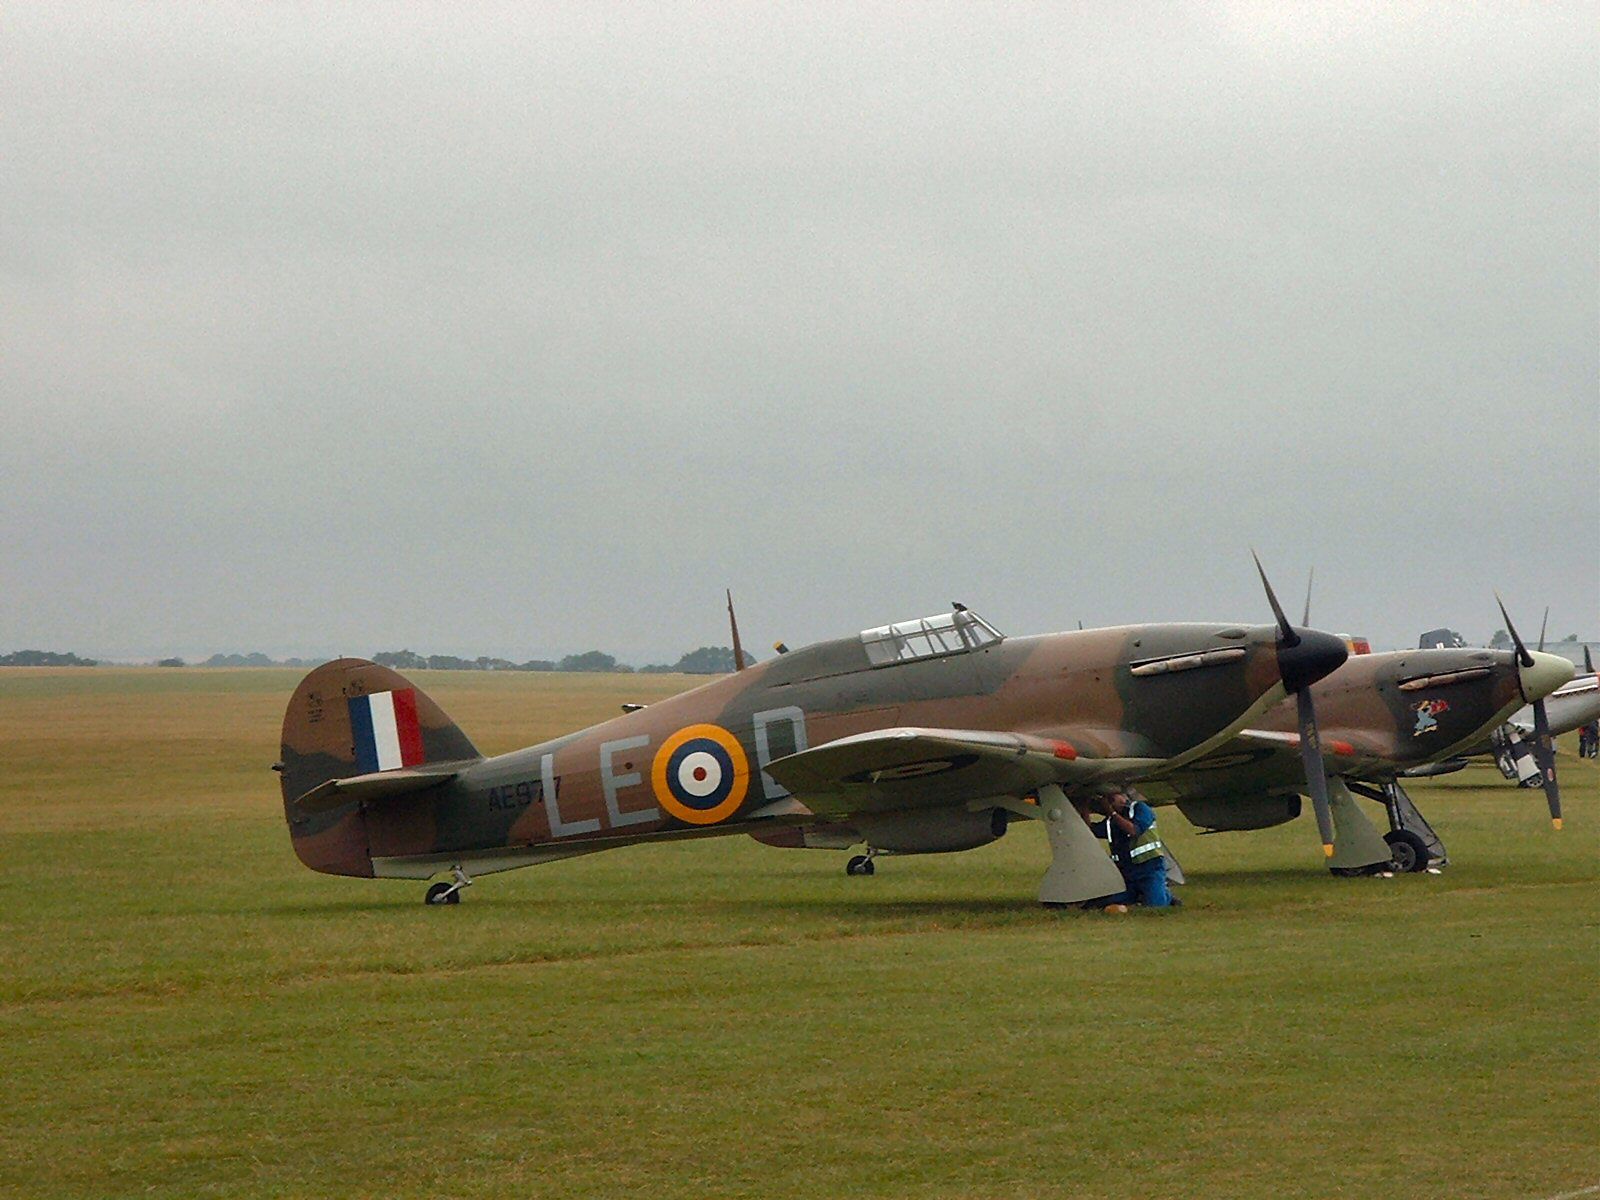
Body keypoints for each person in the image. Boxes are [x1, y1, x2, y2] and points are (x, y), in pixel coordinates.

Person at [1095, 789, 1175, 908]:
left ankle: (1166, 896)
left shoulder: (1141, 809)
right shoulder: (1112, 822)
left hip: (1149, 869)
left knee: (1156, 905)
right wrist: (1084, 807)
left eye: (1113, 798)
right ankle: (1140, 895)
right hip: (1128, 874)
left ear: (1123, 796)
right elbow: (1090, 830)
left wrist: (1111, 813)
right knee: (1104, 902)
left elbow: (1134, 830)